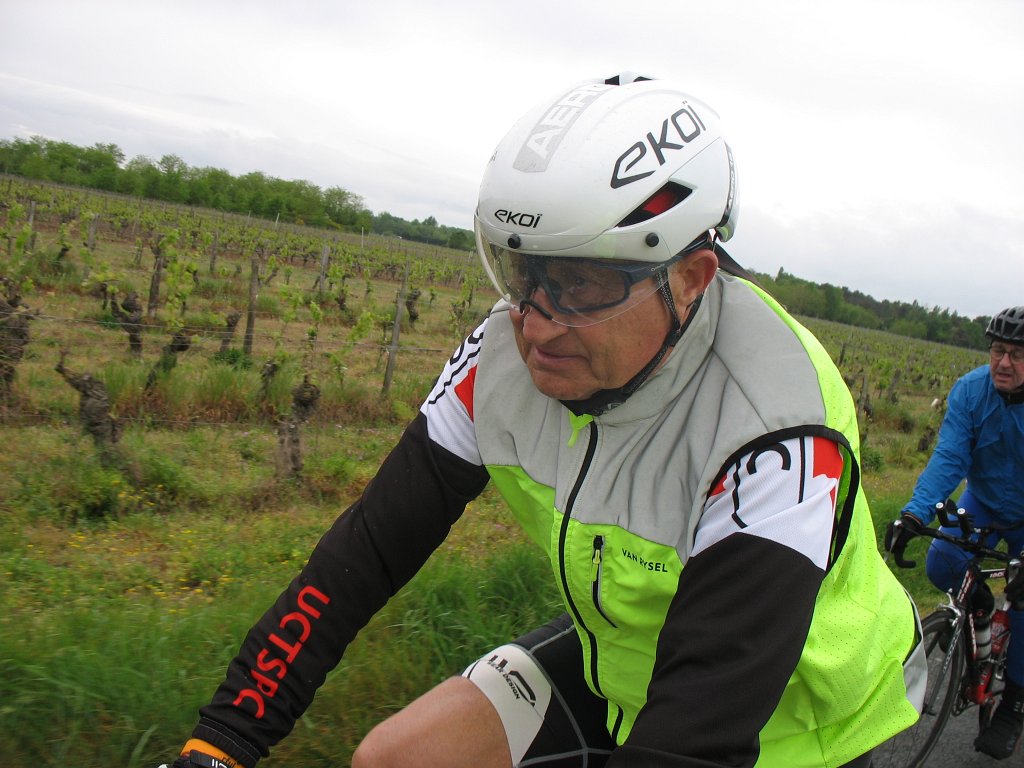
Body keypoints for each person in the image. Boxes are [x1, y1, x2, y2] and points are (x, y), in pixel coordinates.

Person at [160, 74, 924, 768]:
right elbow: (368, 552)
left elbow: (700, 724)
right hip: (619, 661)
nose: (536, 323)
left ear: (691, 278)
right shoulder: (503, 356)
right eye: (525, 273)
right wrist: (222, 742)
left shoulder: (775, 426)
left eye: (584, 284)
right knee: (394, 759)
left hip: (791, 720)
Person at [886, 305, 1024, 760]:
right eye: (998, 350)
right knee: (943, 559)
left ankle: (1015, 703)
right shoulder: (971, 391)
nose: (1004, 362)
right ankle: (978, 607)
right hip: (984, 501)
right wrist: (914, 515)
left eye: (1018, 354)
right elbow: (949, 457)